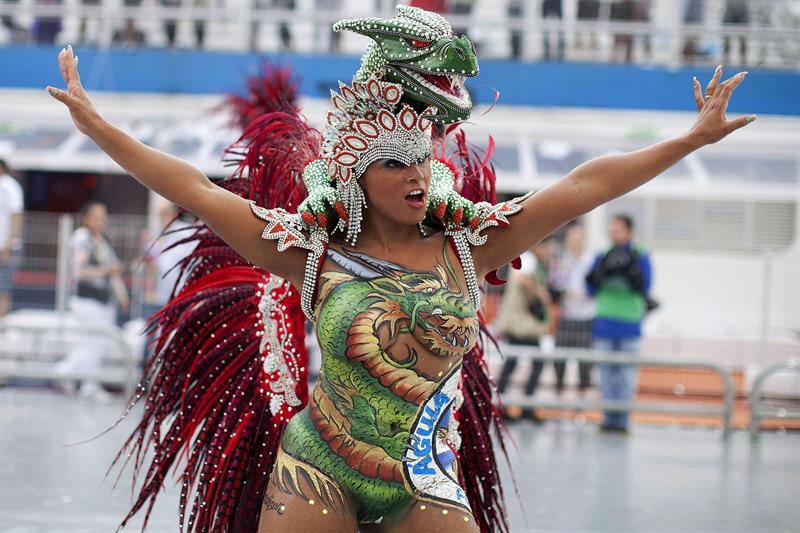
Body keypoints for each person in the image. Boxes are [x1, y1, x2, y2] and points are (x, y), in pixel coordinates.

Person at [47, 5, 754, 532]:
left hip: (423, 476)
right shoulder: (311, 250)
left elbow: (581, 187)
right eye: (393, 163)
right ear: (355, 175)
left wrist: (688, 139)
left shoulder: (468, 246)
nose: (417, 175)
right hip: (317, 466)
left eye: (421, 158)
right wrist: (98, 126)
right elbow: (197, 190)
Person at [55, 202, 129, 399]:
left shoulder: (102, 241)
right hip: (87, 300)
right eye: (96, 217)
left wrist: (121, 294)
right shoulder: (82, 238)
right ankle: (89, 385)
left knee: (95, 344)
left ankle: (64, 372)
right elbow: (80, 272)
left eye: (103, 217)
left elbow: (112, 271)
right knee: (94, 343)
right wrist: (106, 271)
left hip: (103, 301)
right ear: (86, 218)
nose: (101, 221)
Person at [585, 214, 651, 433]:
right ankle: (607, 418)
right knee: (605, 376)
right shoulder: (602, 254)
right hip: (605, 322)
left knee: (626, 376)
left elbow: (646, 286)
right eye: (611, 229)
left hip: (629, 324)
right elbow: (591, 287)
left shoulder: (640, 255)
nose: (614, 233)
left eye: (618, 229)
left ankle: (622, 421)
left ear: (629, 231)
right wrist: (603, 271)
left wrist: (631, 269)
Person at [494, 242, 553, 422]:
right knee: (534, 363)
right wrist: (541, 293)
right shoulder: (528, 259)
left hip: (522, 322)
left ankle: (503, 405)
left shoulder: (530, 260)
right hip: (522, 323)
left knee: (514, 363)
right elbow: (522, 279)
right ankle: (518, 406)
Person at [549, 223, 595, 393]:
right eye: (572, 238)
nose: (576, 241)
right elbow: (553, 284)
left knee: (585, 361)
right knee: (559, 359)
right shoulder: (561, 259)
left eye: (579, 238)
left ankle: (583, 394)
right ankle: (559, 390)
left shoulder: (591, 260)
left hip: (586, 315)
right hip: (566, 314)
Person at [0, 158, 23, 319]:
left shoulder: (10, 186)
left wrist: (8, 244)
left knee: (3, 288)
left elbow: (16, 215)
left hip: (5, 247)